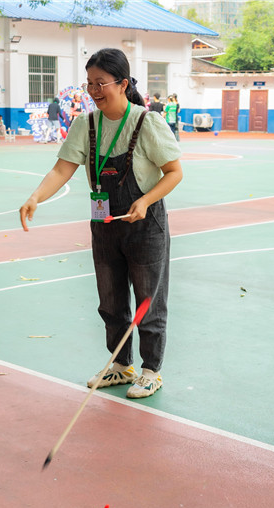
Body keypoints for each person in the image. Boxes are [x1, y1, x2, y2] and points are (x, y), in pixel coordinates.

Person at [19, 48, 182, 399]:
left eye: (100, 83)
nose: (93, 90)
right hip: (104, 224)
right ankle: (121, 366)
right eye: (89, 83)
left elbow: (174, 172)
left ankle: (151, 371)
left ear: (122, 84)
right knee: (110, 301)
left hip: (145, 224)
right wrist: (36, 197)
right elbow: (63, 168)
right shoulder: (85, 124)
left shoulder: (146, 121)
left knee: (148, 301)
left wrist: (146, 199)